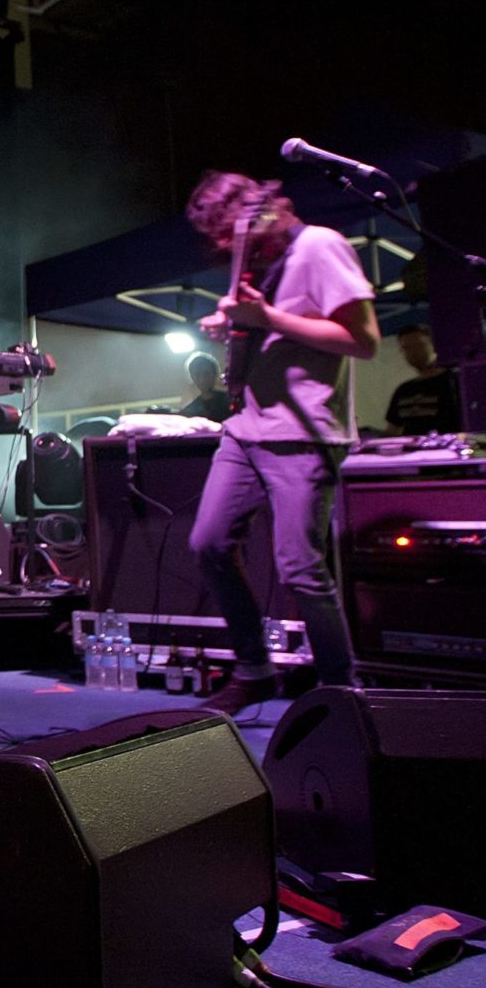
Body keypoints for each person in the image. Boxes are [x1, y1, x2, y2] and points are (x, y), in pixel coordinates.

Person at [184, 170, 376, 716]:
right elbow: (277, 328)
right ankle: (254, 671)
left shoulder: (320, 245)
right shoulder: (272, 266)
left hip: (303, 432)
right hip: (248, 427)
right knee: (209, 542)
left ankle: (341, 689)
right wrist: (235, 325)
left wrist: (264, 316)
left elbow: (362, 341)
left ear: (261, 213)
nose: (230, 249)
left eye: (233, 234)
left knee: (299, 565)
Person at [383, 323, 462, 436]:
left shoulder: (456, 382)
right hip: (411, 452)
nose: (413, 352)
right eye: (406, 348)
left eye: (419, 345)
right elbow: (392, 430)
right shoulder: (404, 390)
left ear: (434, 345)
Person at [179, 350, 232, 422]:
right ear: (192, 377)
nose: (202, 379)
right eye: (197, 375)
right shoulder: (189, 412)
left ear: (215, 374)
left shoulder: (231, 401)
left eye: (206, 374)